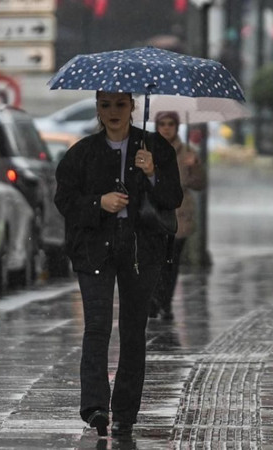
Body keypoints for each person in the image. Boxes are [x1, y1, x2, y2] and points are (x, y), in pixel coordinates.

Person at [54, 91, 182, 438]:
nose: (113, 112)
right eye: (106, 105)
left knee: (133, 330)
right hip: (95, 250)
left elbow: (173, 198)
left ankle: (125, 411)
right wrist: (99, 203)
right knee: (96, 327)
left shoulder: (155, 148)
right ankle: (95, 406)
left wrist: (152, 172)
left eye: (120, 105)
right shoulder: (82, 152)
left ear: (132, 107)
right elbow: (65, 200)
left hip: (142, 251)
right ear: (97, 108)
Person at [150, 111, 207, 320]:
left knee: (171, 263)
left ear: (176, 126)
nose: (166, 128)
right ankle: (153, 300)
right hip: (155, 215)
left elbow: (200, 184)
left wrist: (195, 167)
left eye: (170, 124)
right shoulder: (148, 151)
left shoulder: (188, 153)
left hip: (180, 216)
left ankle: (165, 303)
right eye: (162, 124)